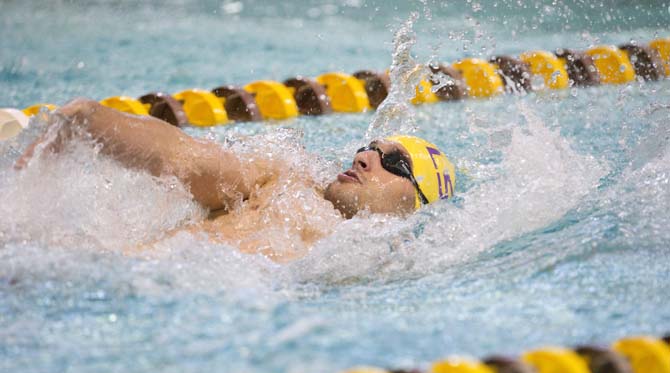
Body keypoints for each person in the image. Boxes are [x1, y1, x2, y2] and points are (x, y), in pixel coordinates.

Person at [15, 99, 455, 260]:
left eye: (391, 163)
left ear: (416, 201)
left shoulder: (389, 261)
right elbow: (185, 161)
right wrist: (92, 120)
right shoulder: (278, 182)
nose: (363, 156)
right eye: (367, 148)